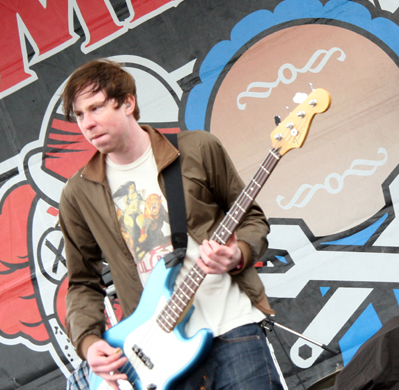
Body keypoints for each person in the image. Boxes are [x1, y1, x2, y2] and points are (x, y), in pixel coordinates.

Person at [58, 59, 283, 390]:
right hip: (156, 354)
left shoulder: (197, 149)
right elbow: (82, 283)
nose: (87, 123)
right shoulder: (79, 194)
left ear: (128, 103)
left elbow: (251, 217)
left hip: (233, 328)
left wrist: (238, 254)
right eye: (79, 115)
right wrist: (88, 342)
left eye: (96, 108)